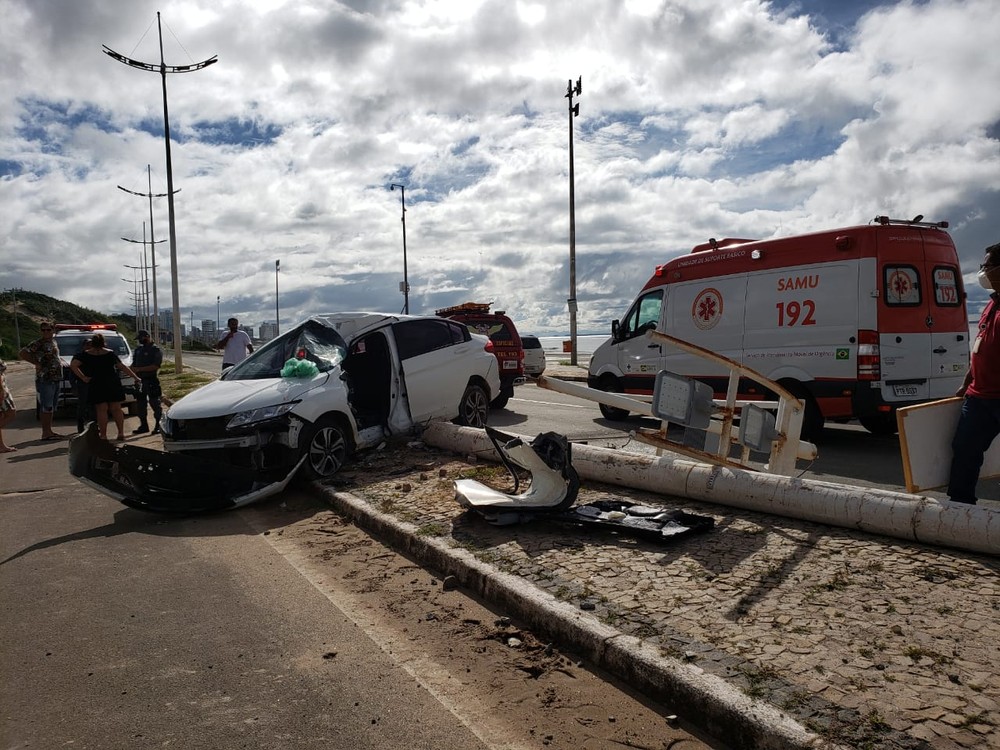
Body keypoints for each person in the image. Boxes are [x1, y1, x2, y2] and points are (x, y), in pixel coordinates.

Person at [948, 241, 1000, 505]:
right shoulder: (992, 305)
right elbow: (980, 347)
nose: (983, 271)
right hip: (979, 397)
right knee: (965, 449)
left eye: (988, 265)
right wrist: (966, 381)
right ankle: (960, 508)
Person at [69, 332, 140, 441]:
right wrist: (135, 377)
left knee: (101, 410)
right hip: (112, 383)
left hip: (96, 383)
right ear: (103, 343)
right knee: (116, 409)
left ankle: (103, 435)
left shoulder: (85, 355)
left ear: (92, 343)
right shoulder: (110, 354)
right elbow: (121, 366)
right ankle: (121, 433)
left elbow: (73, 365)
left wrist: (83, 377)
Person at [19, 322, 65, 440]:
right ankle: (45, 432)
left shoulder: (53, 342)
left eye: (48, 330)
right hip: (45, 378)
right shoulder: (38, 343)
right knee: (46, 406)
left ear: (53, 330)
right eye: (43, 330)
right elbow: (23, 353)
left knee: (52, 406)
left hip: (55, 378)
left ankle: (49, 431)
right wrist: (36, 363)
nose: (46, 332)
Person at [130, 330, 163, 434]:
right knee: (140, 405)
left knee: (155, 404)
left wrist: (139, 369)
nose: (140, 341)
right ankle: (143, 426)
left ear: (147, 337)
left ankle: (158, 425)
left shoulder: (155, 350)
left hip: (151, 380)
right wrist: (132, 369)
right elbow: (133, 364)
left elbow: (155, 366)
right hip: (140, 381)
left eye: (141, 338)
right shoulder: (138, 350)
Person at [73, 338, 95, 433]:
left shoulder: (96, 356)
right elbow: (72, 373)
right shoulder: (78, 356)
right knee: (82, 407)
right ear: (83, 346)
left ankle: (94, 427)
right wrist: (74, 386)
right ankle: (80, 428)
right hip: (82, 385)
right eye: (87, 344)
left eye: (91, 344)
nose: (89, 346)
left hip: (94, 385)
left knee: (93, 407)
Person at [0, 338, 16, 453]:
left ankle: (1, 446)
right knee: (11, 412)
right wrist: (1, 390)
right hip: (1, 389)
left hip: (3, 388)